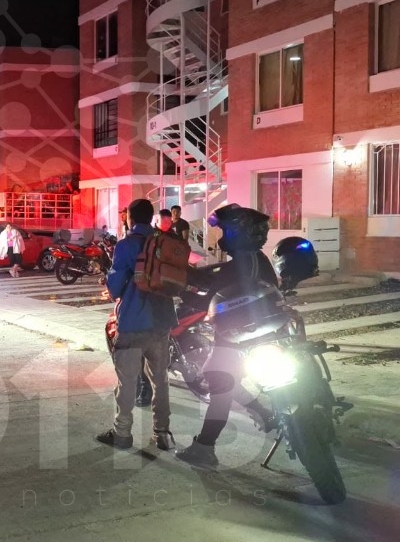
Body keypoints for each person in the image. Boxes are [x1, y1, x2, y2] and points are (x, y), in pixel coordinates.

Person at [175, 205, 279, 468]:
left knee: (218, 381)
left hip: (237, 336)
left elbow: (209, 298)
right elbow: (216, 279)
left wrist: (179, 290)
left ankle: (204, 448)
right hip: (262, 334)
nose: (222, 237)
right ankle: (264, 414)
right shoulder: (256, 260)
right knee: (227, 380)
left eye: (225, 231)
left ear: (238, 233)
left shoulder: (243, 265)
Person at [97, 198, 178, 451]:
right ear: (151, 217)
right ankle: (162, 433)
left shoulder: (126, 245)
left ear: (130, 218)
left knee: (128, 380)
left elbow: (115, 286)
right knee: (160, 380)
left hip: (133, 320)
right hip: (162, 320)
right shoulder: (163, 241)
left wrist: (112, 284)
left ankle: (122, 433)